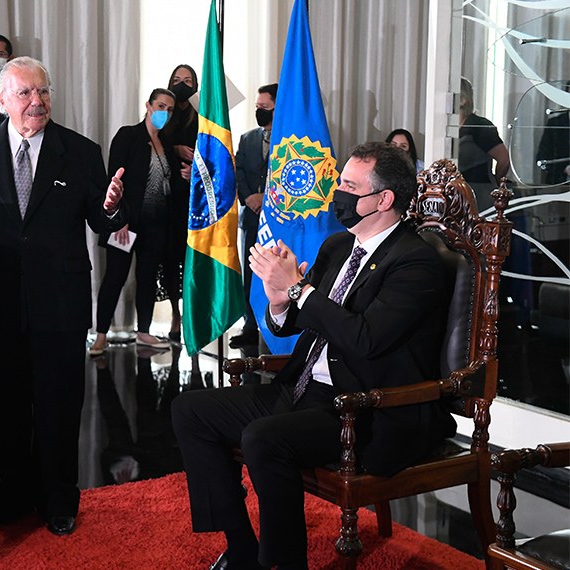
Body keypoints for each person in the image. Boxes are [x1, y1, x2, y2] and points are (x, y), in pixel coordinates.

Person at [172, 142, 456, 570]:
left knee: (263, 438)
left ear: (383, 199)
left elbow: (365, 339)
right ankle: (241, 546)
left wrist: (298, 289)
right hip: (305, 387)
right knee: (190, 410)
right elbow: (293, 323)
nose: (337, 193)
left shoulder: (415, 262)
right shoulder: (338, 246)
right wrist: (279, 299)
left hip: (364, 407)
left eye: (349, 186)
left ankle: (284, 563)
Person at [0, 56, 127, 537]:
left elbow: (102, 221)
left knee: (59, 405)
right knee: (8, 405)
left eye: (43, 91)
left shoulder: (80, 151)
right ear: (1, 101)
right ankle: (14, 493)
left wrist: (110, 208)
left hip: (59, 303)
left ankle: (59, 499)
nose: (37, 101)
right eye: (25, 93)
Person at [89, 88, 179, 355]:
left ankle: (144, 332)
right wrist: (120, 219)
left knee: (147, 278)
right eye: (161, 106)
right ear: (148, 106)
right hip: (126, 222)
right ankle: (101, 335)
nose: (165, 113)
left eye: (170, 109)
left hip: (156, 224)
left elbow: (169, 182)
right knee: (115, 276)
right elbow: (115, 179)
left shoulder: (167, 143)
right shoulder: (128, 135)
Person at [230, 83, 277, 350]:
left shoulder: (290, 139)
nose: (259, 111)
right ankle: (249, 325)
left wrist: (266, 199)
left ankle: (275, 326)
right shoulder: (248, 138)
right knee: (249, 272)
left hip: (277, 218)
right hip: (250, 217)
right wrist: (249, 197)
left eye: (265, 107)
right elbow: (238, 172)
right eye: (257, 107)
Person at [159, 64, 199, 342]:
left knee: (192, 258)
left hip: (196, 197)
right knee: (171, 259)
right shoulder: (165, 111)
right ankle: (175, 313)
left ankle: (193, 313)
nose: (182, 84)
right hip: (168, 196)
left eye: (187, 80)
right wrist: (175, 149)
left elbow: (216, 152)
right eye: (176, 79)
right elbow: (151, 140)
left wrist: (196, 169)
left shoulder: (203, 113)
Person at [458, 77, 510, 192]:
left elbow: (504, 159)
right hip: (457, 192)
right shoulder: (445, 129)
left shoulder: (479, 125)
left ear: (463, 99)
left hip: (480, 192)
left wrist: (498, 185)